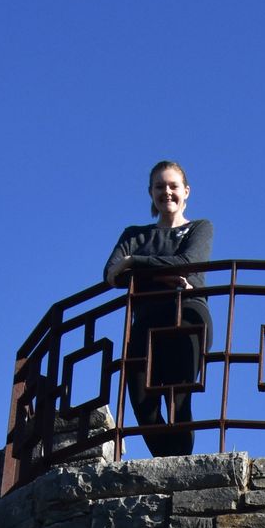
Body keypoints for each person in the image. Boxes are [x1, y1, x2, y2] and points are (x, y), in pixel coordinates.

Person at [104, 162, 213, 456]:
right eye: (160, 186)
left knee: (178, 397)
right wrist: (165, 274)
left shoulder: (199, 228)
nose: (167, 192)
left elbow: (188, 263)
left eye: (173, 186)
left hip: (186, 316)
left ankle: (181, 465)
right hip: (146, 322)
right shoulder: (134, 234)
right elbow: (111, 275)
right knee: (141, 399)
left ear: (186, 191)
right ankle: (169, 463)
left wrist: (135, 263)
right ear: (150, 192)